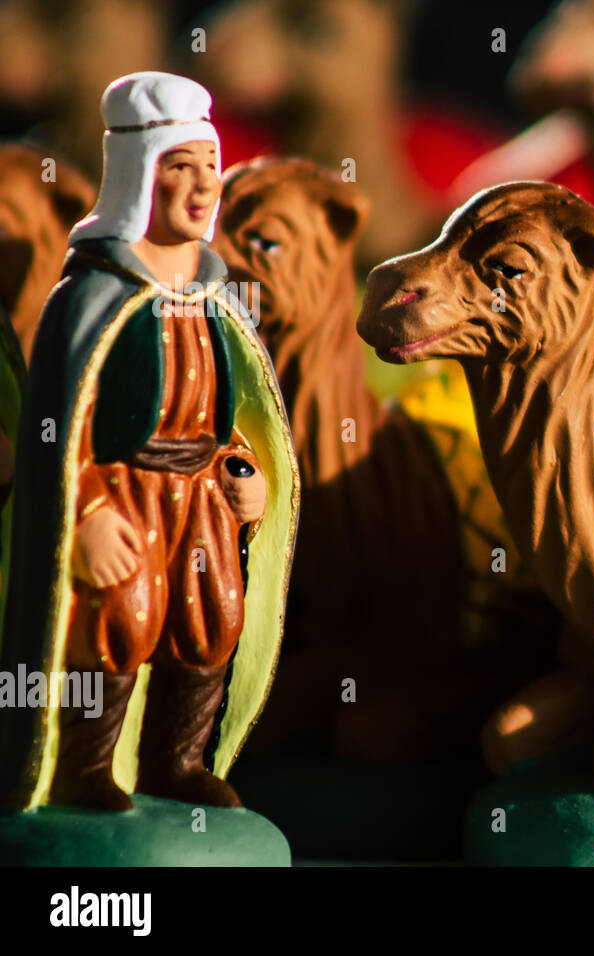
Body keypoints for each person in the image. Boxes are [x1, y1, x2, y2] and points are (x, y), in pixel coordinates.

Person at [0, 72, 298, 812]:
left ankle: (177, 762)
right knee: (119, 620)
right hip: (122, 490)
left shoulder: (214, 293)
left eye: (209, 167)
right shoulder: (94, 295)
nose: (201, 187)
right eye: (179, 167)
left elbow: (227, 404)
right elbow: (61, 425)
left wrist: (248, 472)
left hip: (199, 492)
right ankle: (84, 770)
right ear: (140, 175)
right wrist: (87, 514)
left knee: (211, 617)